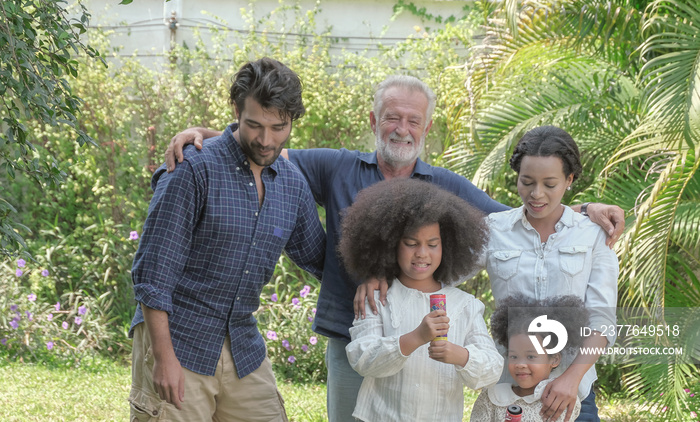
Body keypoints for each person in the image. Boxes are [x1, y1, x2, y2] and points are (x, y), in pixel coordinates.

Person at [164, 76, 625, 422]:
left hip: (434, 351)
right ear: (374, 121)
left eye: (413, 120)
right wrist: (208, 134)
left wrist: (582, 207)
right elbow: (266, 149)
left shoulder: (444, 184)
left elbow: (520, 211)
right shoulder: (335, 167)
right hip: (356, 333)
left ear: (426, 127)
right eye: (392, 117)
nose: (402, 129)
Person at [128, 57, 326, 422]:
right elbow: (152, 274)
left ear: (293, 120)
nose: (266, 140)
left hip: (242, 346)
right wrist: (163, 358)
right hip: (179, 338)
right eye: (254, 125)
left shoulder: (292, 185)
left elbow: (322, 260)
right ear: (236, 110)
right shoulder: (192, 169)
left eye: (278, 127)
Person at [477, 126, 619, 422]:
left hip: (572, 396)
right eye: (526, 182)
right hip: (507, 393)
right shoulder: (494, 230)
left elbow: (602, 320)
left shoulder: (593, 235)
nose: (536, 194)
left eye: (549, 184)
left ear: (569, 180)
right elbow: (436, 271)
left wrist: (570, 378)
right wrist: (378, 276)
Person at [340, 178, 503, 421]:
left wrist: (460, 355)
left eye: (433, 244)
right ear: (390, 244)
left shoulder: (465, 305)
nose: (422, 253)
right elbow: (362, 357)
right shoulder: (377, 298)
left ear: (447, 246)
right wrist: (415, 338)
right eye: (411, 243)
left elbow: (493, 367)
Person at [470, 295, 589, 422]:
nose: (520, 364)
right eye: (514, 356)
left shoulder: (559, 401)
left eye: (531, 356)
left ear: (554, 359)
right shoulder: (491, 398)